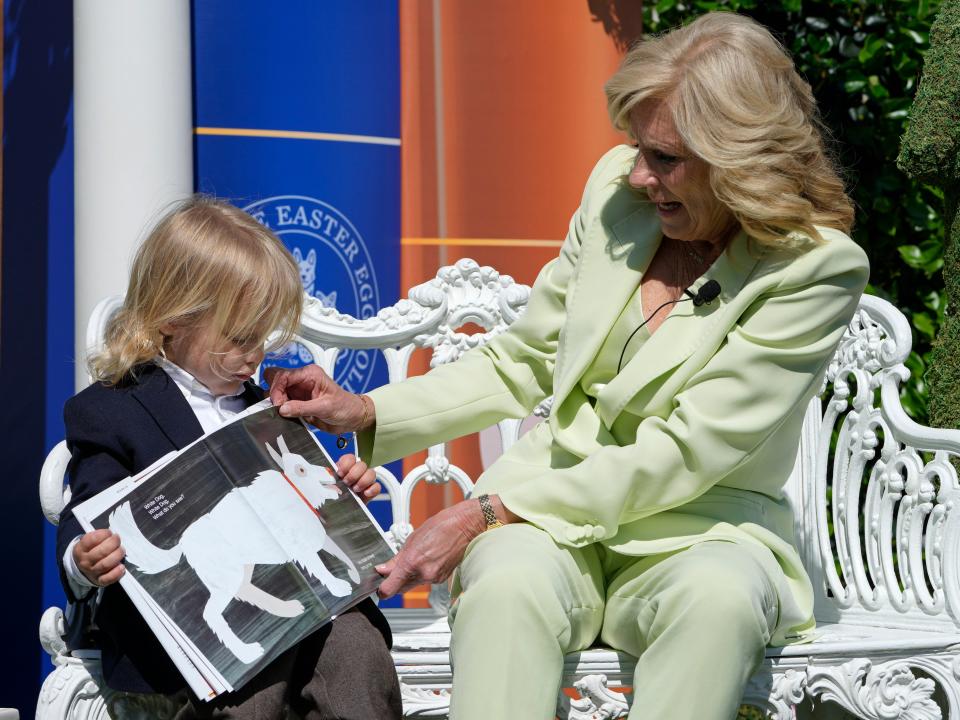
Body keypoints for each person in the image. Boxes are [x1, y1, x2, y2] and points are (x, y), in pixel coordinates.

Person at [269, 12, 869, 720]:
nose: (641, 175)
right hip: (550, 522)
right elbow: (526, 357)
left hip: (702, 531)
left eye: (667, 159)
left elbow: (685, 452)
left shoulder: (816, 269)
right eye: (638, 149)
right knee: (504, 582)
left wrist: (483, 511)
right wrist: (370, 412)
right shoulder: (618, 193)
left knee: (718, 601)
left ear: (739, 160)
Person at [56, 196, 402, 720]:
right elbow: (87, 511)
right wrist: (85, 558)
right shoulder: (110, 411)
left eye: (263, 337)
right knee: (255, 681)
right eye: (240, 337)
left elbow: (298, 505)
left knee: (358, 649)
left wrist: (340, 494)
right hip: (200, 639)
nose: (256, 354)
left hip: (312, 607)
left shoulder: (270, 407)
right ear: (173, 317)